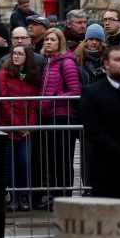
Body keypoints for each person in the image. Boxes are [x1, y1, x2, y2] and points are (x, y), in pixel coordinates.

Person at [38, 28, 81, 209]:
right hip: (49, 115)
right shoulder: (49, 64)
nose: (48, 42)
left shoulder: (67, 63)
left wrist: (52, 99)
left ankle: (64, 197)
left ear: (60, 42)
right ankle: (56, 196)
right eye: (47, 39)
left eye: (53, 40)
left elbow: (75, 91)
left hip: (63, 116)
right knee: (54, 160)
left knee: (63, 159)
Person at [0, 45, 40, 211]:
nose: (16, 56)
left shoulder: (32, 75)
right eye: (14, 53)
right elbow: (4, 102)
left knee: (25, 161)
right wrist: (18, 126)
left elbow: (34, 103)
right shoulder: (4, 74)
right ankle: (14, 197)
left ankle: (24, 196)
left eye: (20, 54)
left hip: (27, 127)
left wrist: (30, 126)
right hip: (10, 127)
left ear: (26, 57)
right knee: (11, 164)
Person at [80, 45, 120, 199]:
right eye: (118, 59)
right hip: (106, 169)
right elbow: (93, 130)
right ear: (106, 64)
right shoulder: (92, 92)